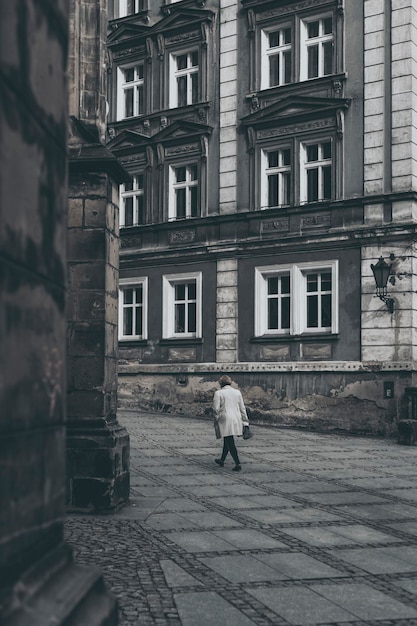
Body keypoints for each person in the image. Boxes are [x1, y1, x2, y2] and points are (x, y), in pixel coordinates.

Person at [213, 375, 249, 472]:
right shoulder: (237, 392)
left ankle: (237, 463)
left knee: (229, 441)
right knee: (227, 439)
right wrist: (245, 422)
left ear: (221, 383)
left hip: (225, 419)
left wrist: (216, 418)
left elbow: (216, 409)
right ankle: (222, 460)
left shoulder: (218, 393)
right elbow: (242, 408)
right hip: (236, 418)